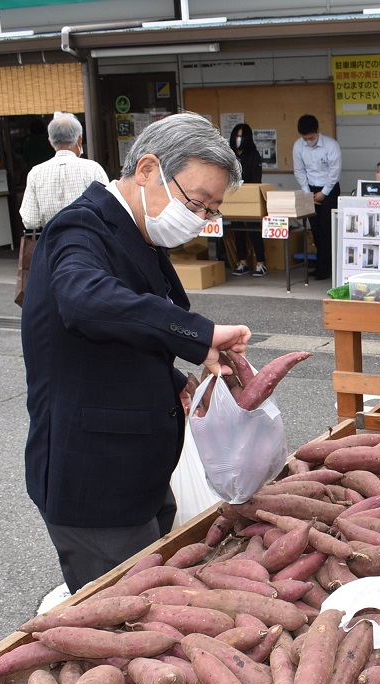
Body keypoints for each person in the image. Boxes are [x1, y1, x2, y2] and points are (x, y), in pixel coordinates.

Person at [21, 112, 252, 594]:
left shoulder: (137, 232)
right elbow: (87, 300)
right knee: (128, 618)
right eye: (198, 202)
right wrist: (201, 334)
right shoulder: (79, 229)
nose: (202, 218)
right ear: (147, 169)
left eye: (212, 210)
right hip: (96, 482)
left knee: (157, 591)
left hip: (139, 472)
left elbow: (121, 336)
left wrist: (175, 381)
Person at [19, 112, 109, 231]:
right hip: (88, 239)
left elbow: (30, 221)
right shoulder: (93, 169)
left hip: (53, 242)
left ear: (50, 141)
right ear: (79, 139)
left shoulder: (35, 173)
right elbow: (108, 209)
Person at [292, 114, 341, 280]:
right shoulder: (298, 146)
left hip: (330, 189)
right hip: (310, 189)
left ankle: (326, 267)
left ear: (317, 131)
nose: (307, 141)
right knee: (315, 229)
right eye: (304, 138)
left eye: (310, 137)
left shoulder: (330, 145)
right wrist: (308, 192)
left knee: (327, 229)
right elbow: (299, 170)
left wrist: (324, 193)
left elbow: (335, 171)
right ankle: (320, 264)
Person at [228, 122, 268, 277]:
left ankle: (261, 263)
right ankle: (242, 262)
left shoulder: (253, 155)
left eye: (241, 136)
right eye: (236, 136)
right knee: (237, 231)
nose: (239, 139)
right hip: (234, 197)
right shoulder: (230, 154)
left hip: (251, 198)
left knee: (254, 231)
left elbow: (256, 178)